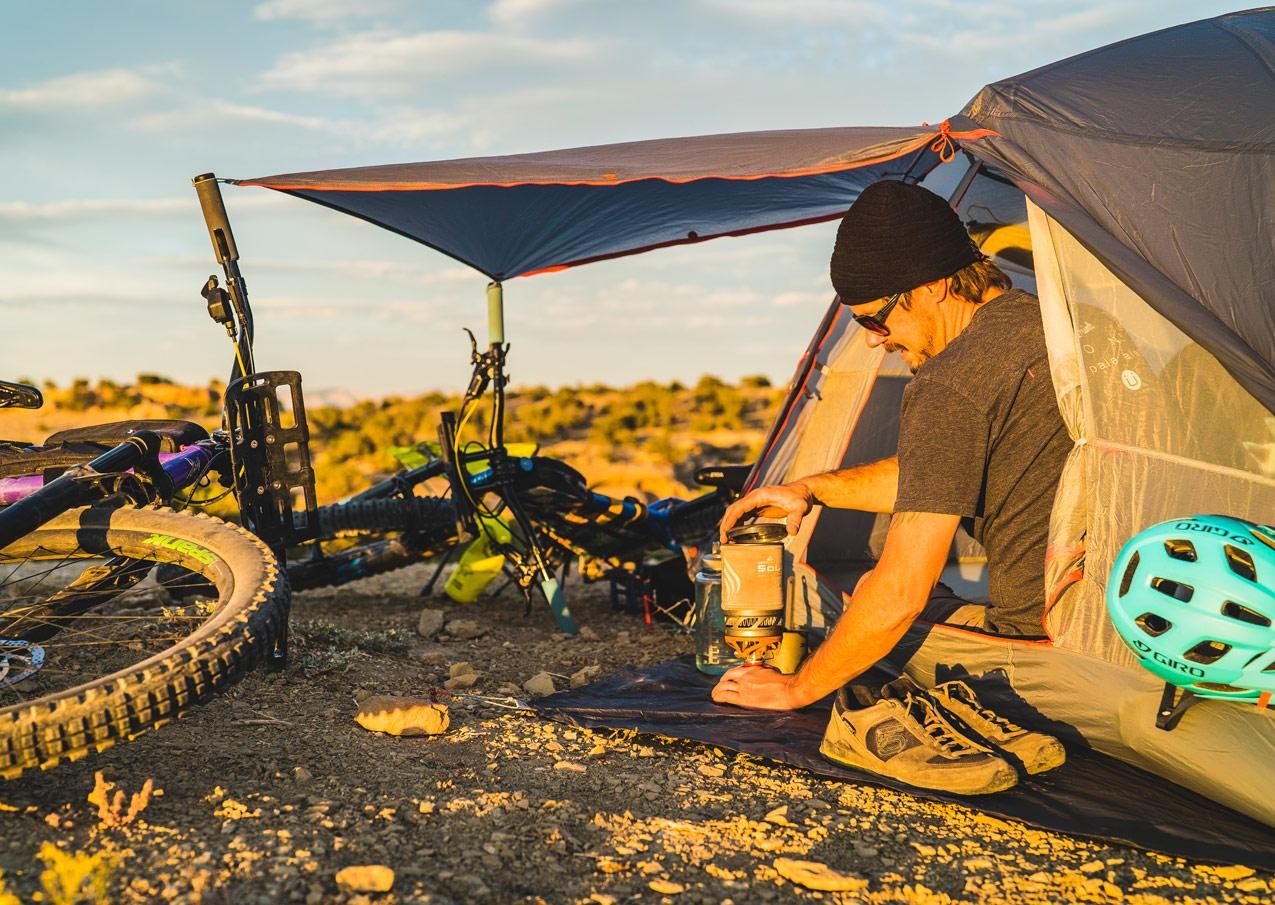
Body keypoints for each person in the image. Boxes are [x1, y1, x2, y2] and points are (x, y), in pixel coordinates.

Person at [710, 180, 1071, 757]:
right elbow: (941, 470)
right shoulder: (1043, 331)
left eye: (876, 321)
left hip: (1038, 645)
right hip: (1113, 621)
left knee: (863, 615)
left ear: (932, 286)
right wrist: (809, 490)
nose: (876, 342)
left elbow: (902, 589)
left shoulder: (953, 379)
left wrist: (796, 690)